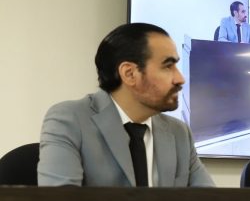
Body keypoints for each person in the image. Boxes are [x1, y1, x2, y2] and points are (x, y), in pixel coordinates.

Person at [38, 23, 214, 187]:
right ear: (129, 73)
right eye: (168, 66)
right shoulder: (69, 120)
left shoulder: (179, 133)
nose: (180, 79)